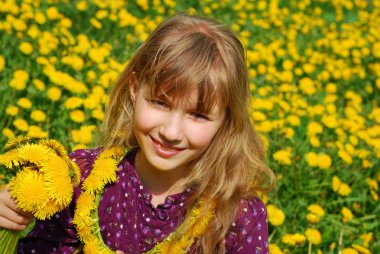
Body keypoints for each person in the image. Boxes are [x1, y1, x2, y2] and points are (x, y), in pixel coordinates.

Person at [0, 13, 276, 253]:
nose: (171, 131)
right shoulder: (81, 180)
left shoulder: (236, 216)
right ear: (134, 88)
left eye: (198, 115)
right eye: (160, 102)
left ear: (227, 120)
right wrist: (7, 217)